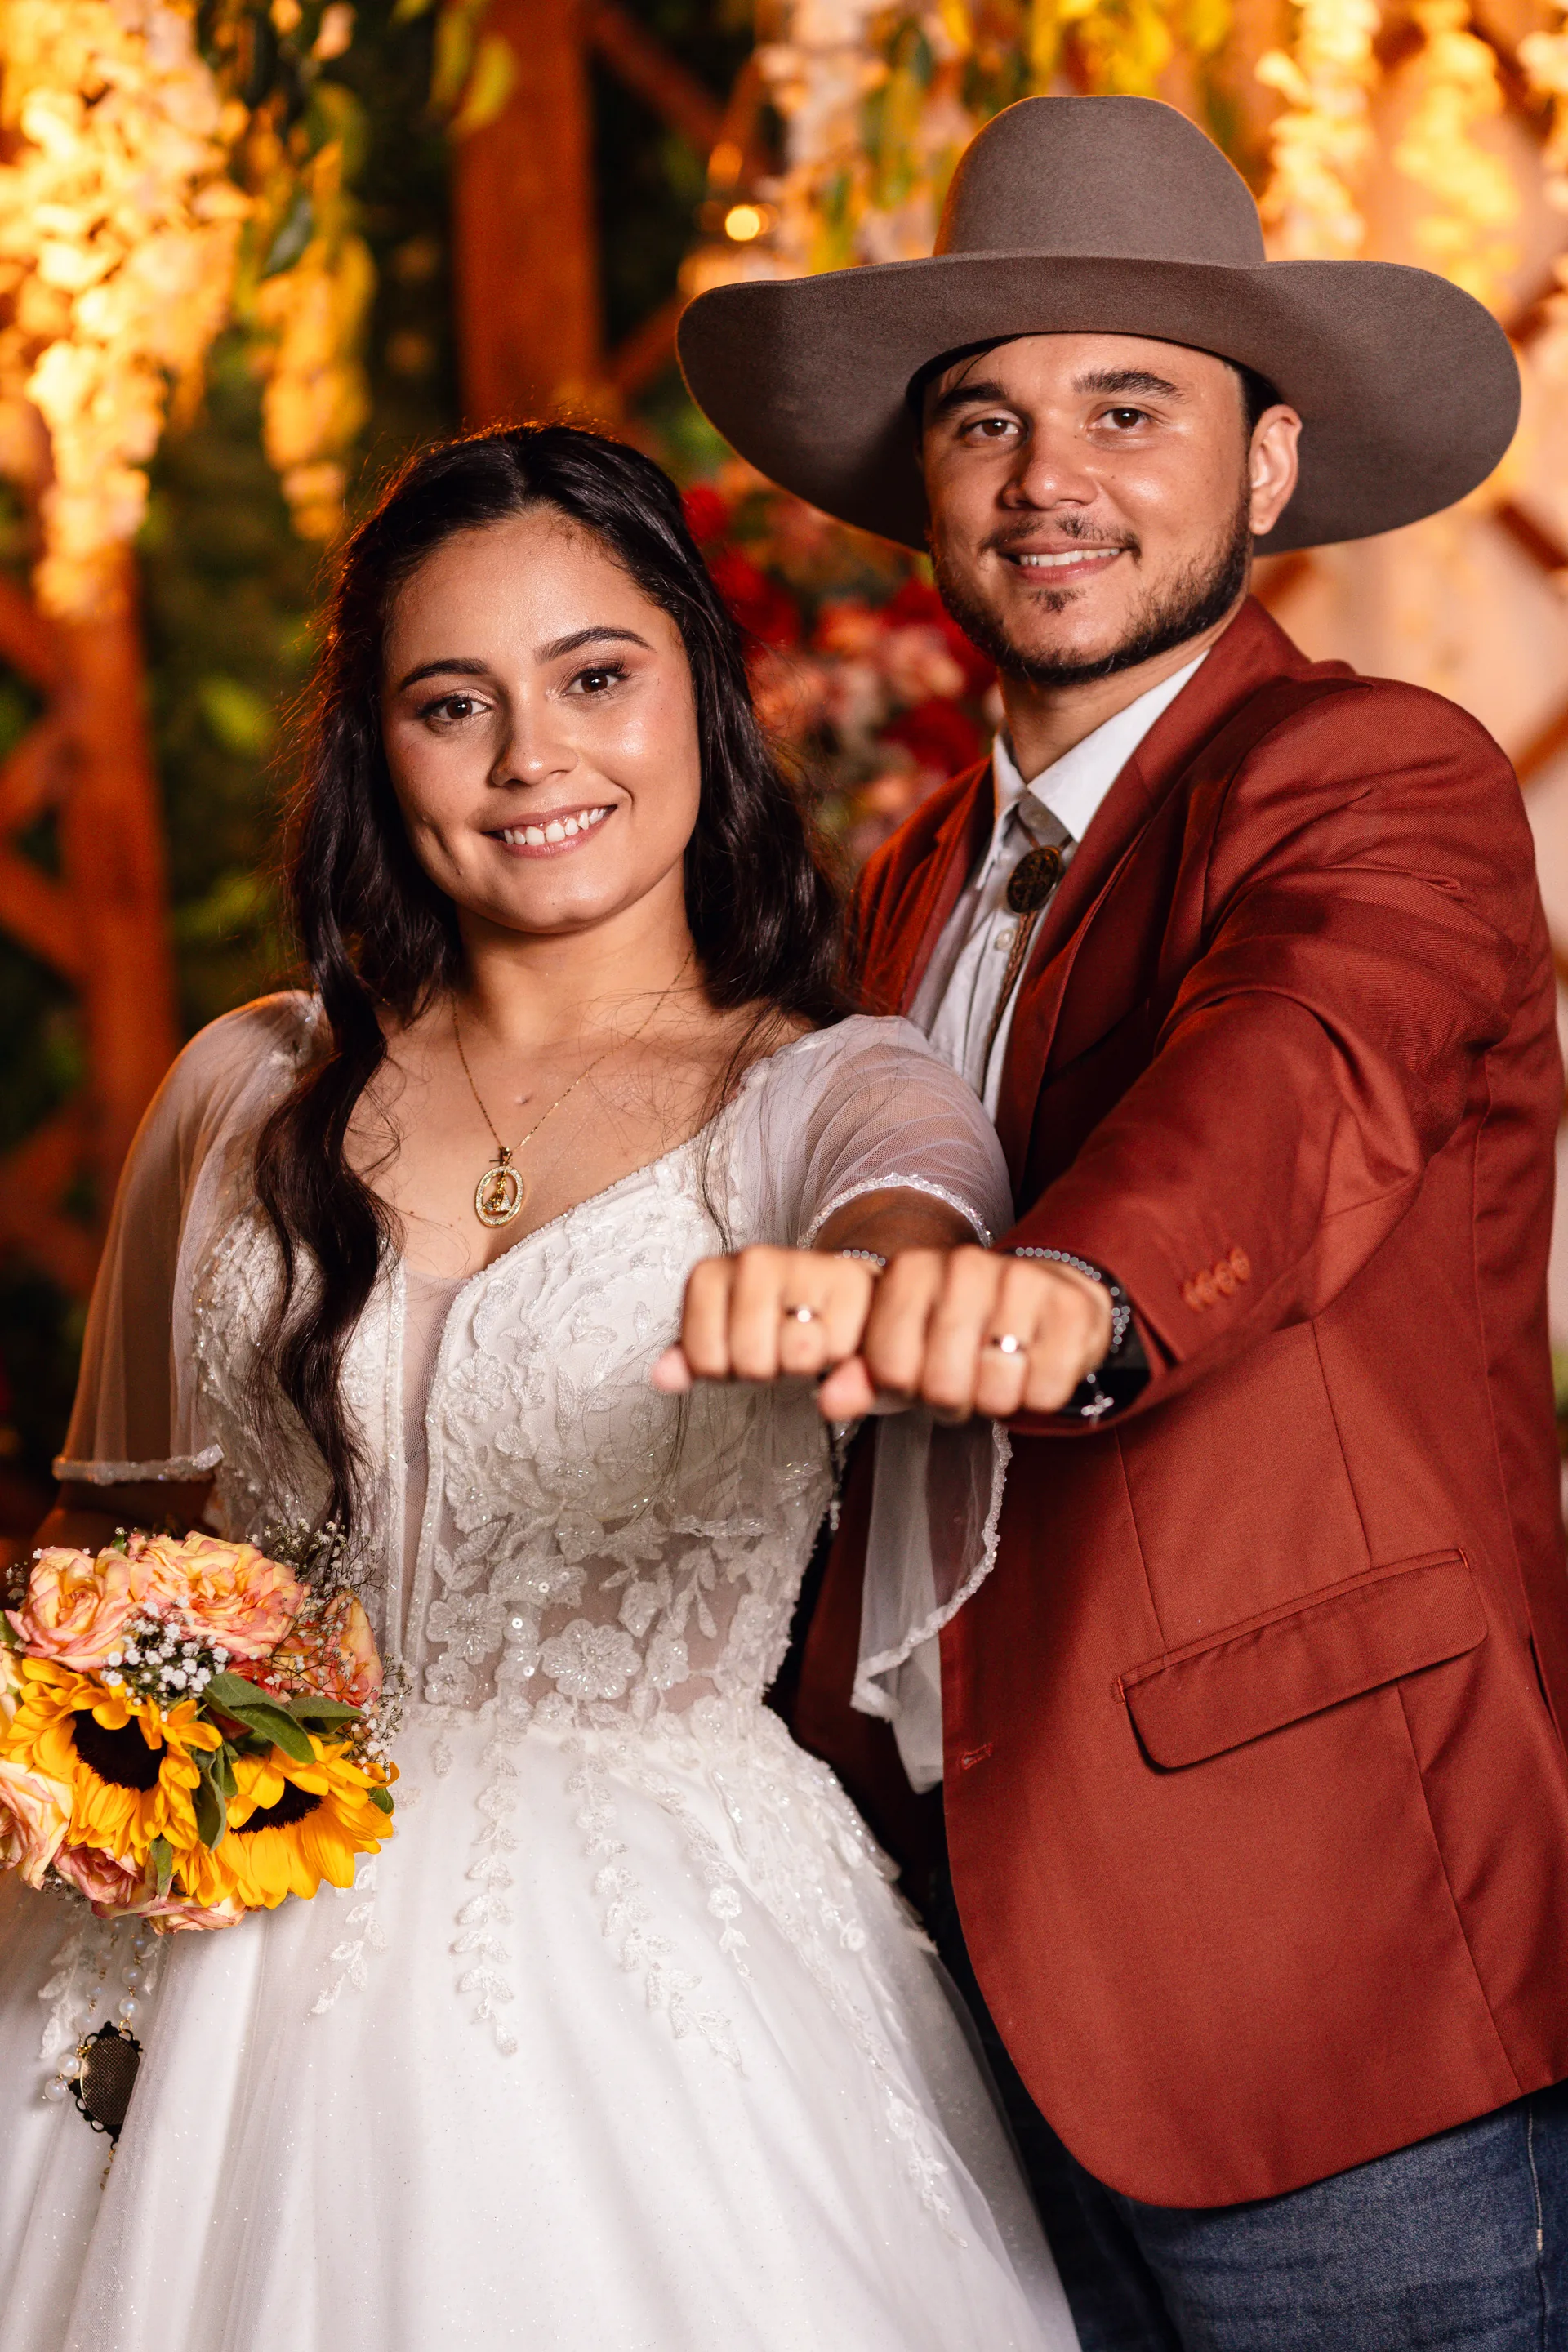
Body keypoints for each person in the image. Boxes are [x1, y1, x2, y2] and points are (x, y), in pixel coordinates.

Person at [0, 424, 1081, 2352]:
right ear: (374, 750)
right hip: (190, 1921)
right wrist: (97, 1892)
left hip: (655, 1988)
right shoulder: (242, 1087)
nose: (532, 761)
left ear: (701, 695)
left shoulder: (827, 1088)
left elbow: (916, 1219)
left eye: (596, 677)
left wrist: (886, 1291)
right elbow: (122, 1553)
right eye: (450, 704)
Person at [675, 91, 1568, 2347]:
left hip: (1323, 1974)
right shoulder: (903, 880)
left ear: (1268, 467)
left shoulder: (1376, 775)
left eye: (1128, 409)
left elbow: (1304, 1073)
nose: (1046, 478)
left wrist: (1071, 1297)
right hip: (961, 1978)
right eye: (986, 420)